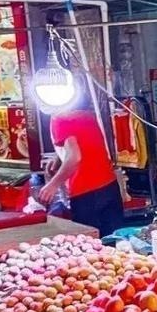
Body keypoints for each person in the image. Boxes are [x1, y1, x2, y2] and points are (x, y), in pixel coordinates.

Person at [39, 81, 123, 237]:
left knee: (91, 245)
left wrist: (53, 185)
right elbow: (83, 143)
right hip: (110, 187)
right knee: (116, 242)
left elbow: (75, 157)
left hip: (86, 194)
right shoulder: (87, 115)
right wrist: (59, 158)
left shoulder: (58, 119)